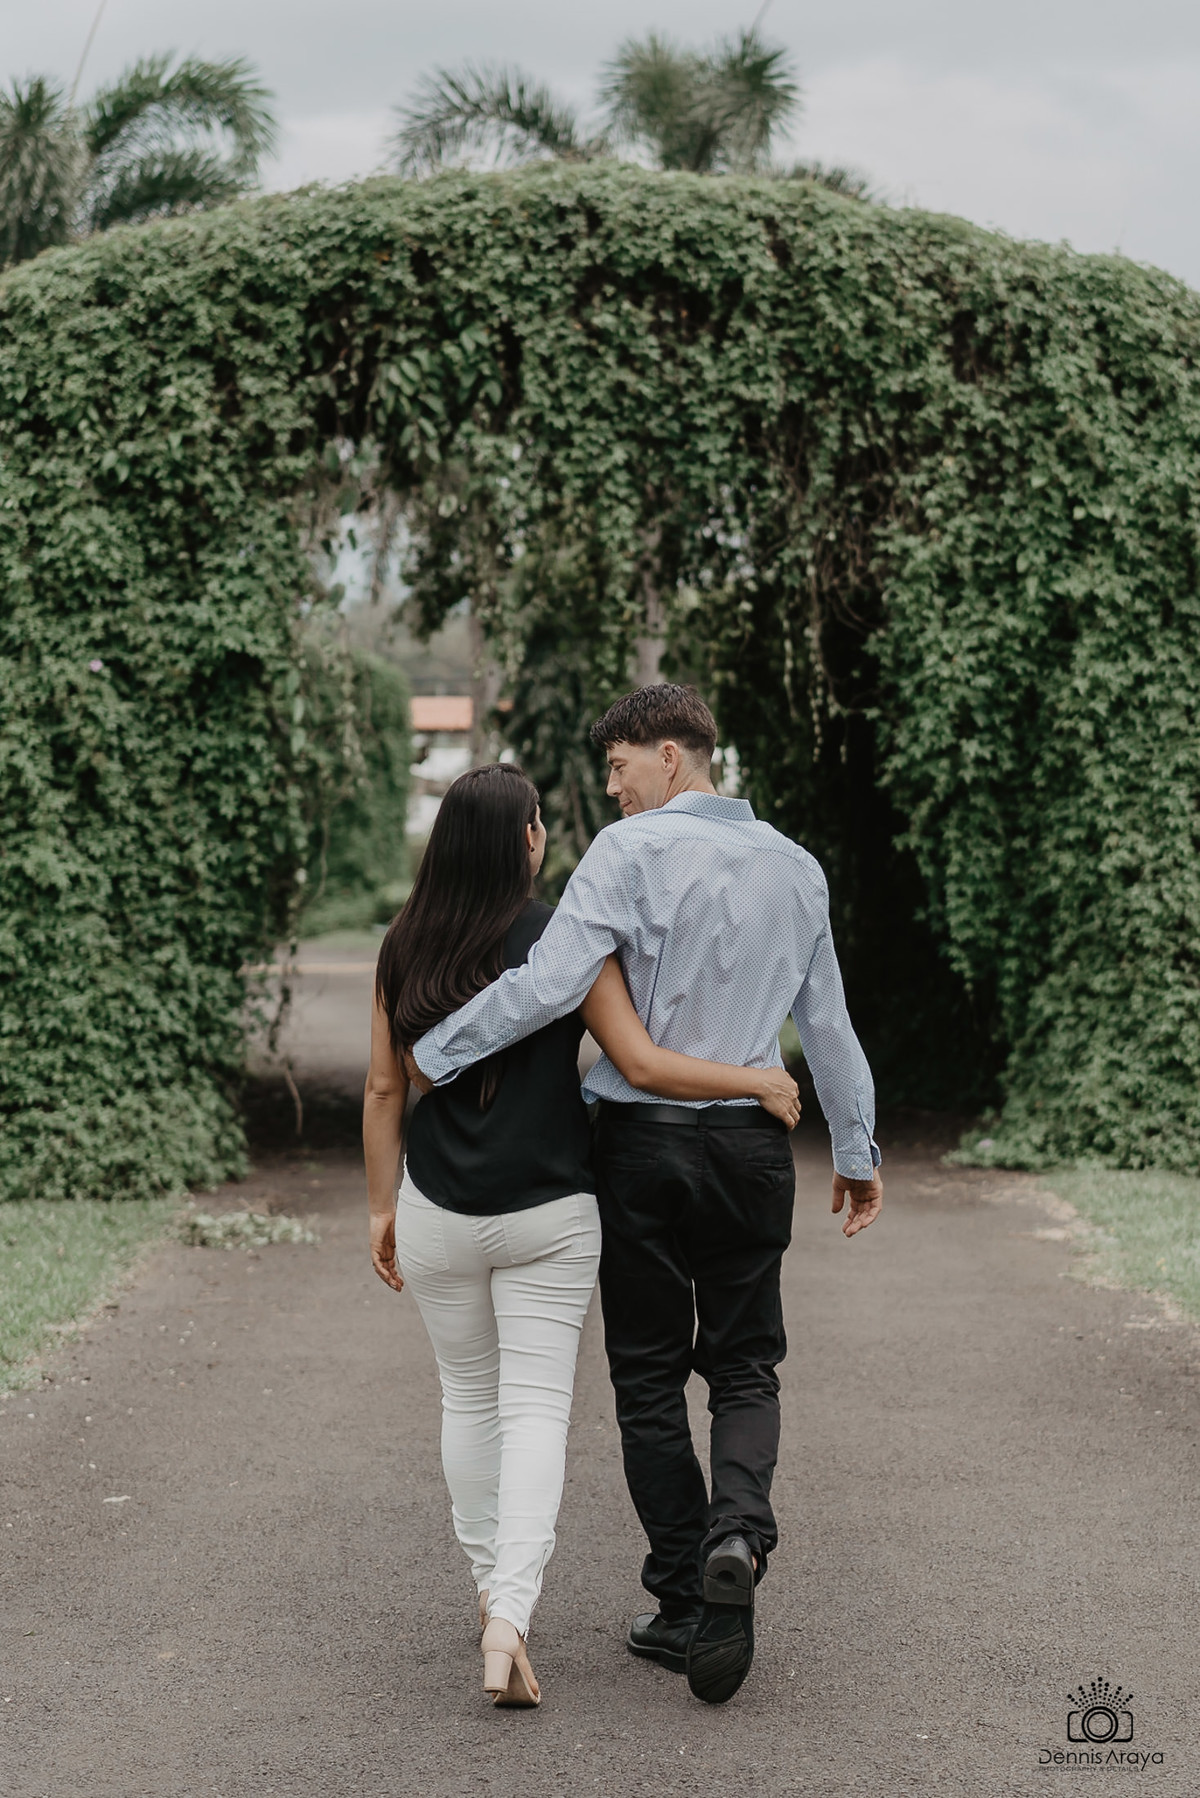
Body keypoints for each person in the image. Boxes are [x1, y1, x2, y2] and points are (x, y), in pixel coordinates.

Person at [412, 686, 883, 1706]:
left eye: (621, 766)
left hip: (642, 1144)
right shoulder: (797, 868)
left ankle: (680, 1597)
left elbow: (548, 984)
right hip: (754, 1146)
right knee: (749, 1363)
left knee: (649, 1376)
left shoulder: (627, 856)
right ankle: (735, 1539)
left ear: (672, 754)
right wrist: (857, 1145)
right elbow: (829, 1024)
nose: (614, 787)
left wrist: (436, 1052)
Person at [363, 762, 803, 1709]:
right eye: (539, 826)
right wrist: (759, 1081)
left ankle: (495, 1591)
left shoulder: (404, 943)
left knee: (467, 1402)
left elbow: (382, 1087)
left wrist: (379, 1207)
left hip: (435, 1209)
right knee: (534, 1412)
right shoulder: (557, 936)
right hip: (551, 1216)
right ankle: (510, 1616)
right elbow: (638, 1061)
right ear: (527, 839)